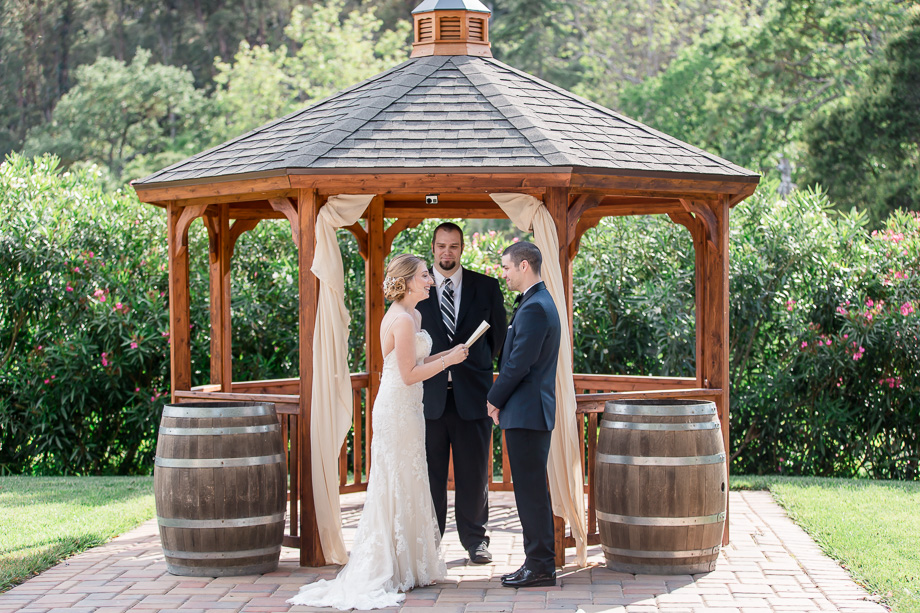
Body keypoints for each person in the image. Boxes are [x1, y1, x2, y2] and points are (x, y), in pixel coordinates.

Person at [288, 254, 469, 610]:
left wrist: (448, 353)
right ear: (408, 281)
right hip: (395, 410)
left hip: (411, 409)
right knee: (393, 481)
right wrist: (448, 362)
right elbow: (408, 375)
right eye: (424, 276)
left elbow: (418, 363)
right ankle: (388, 567)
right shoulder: (400, 319)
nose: (430, 280)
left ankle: (411, 564)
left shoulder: (415, 316)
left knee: (411, 478)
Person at [417, 222, 507, 565]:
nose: (447, 252)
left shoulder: (486, 287)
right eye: (441, 245)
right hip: (429, 399)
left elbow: (498, 340)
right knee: (430, 476)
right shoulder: (418, 288)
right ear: (433, 247)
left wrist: (477, 367)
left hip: (474, 395)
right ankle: (430, 542)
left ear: (462, 248)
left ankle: (475, 540)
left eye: (453, 246)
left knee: (474, 473)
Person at [486, 241, 561, 588]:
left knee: (531, 494)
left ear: (524, 265)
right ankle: (536, 562)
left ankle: (542, 566)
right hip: (528, 412)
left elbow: (518, 364)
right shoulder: (536, 302)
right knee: (530, 492)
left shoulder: (535, 308)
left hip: (528, 413)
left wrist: (494, 399)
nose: (504, 274)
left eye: (506, 267)